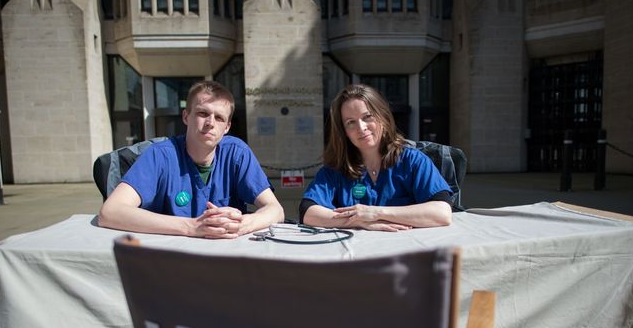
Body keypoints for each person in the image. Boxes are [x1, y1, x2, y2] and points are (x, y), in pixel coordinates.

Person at [99, 81, 284, 238]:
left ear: (227, 127)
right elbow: (110, 212)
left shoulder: (237, 153)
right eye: (203, 113)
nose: (210, 122)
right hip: (169, 260)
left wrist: (243, 224)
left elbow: (276, 210)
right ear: (186, 116)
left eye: (219, 118)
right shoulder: (159, 155)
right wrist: (192, 227)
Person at [299, 84, 453, 231]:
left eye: (367, 117)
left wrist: (376, 213)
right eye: (350, 122)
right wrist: (358, 221)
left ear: (383, 117)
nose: (361, 127)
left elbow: (442, 212)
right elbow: (308, 213)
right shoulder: (335, 170)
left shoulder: (413, 161)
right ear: (344, 131)